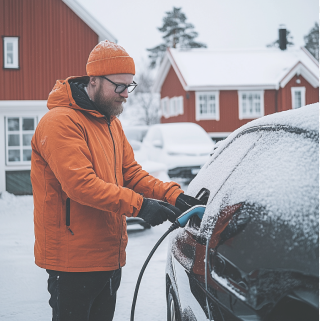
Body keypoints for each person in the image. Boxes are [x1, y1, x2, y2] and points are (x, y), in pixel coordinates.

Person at [31, 40, 202, 321]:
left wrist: (174, 196)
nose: (125, 94)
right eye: (119, 86)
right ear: (94, 80)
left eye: (129, 86)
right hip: (72, 262)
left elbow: (131, 173)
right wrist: (141, 206)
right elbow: (80, 184)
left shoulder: (111, 123)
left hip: (108, 257)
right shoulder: (60, 122)